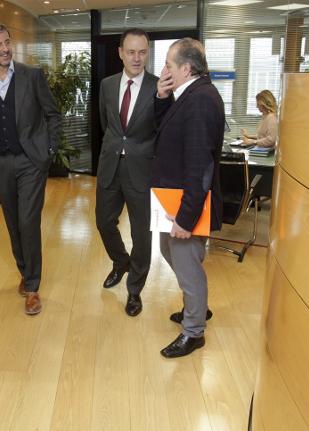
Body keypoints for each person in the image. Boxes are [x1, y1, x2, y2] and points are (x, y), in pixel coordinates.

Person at [0, 23, 61, 315]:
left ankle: (33, 287)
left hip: (30, 161)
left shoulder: (31, 75)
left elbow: (52, 114)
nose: (5, 48)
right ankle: (24, 271)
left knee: (28, 221)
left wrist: (48, 152)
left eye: (7, 42)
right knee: (12, 221)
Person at [153, 38, 224, 358]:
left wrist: (186, 217)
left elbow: (200, 164)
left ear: (186, 67)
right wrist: (162, 96)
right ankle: (197, 307)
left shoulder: (200, 100)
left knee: (188, 264)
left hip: (186, 202)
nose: (164, 70)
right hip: (172, 197)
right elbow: (165, 129)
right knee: (168, 248)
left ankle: (194, 331)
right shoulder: (189, 95)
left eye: (169, 64)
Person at [95, 28, 158, 317]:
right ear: (120, 52)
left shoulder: (158, 88)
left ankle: (134, 290)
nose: (136, 57)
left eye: (142, 52)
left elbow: (162, 129)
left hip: (141, 170)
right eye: (131, 51)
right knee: (104, 222)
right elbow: (105, 123)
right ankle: (120, 262)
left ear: (148, 52)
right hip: (110, 165)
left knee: (141, 234)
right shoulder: (107, 85)